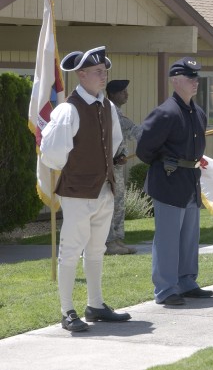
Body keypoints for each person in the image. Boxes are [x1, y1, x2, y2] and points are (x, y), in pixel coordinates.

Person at [40, 46, 131, 332]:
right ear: (81, 75)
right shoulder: (68, 109)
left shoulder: (107, 106)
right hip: (77, 192)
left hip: (104, 189)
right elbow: (51, 152)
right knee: (70, 251)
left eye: (104, 71)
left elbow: (114, 141)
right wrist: (79, 168)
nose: (103, 76)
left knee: (96, 249)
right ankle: (67, 311)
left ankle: (96, 304)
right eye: (97, 72)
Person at [136, 57, 213, 305]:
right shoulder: (165, 112)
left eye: (196, 78)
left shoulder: (197, 113)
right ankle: (166, 289)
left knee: (189, 237)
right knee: (168, 239)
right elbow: (143, 148)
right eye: (190, 78)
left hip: (190, 181)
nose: (195, 82)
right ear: (175, 80)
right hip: (169, 183)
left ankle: (186, 281)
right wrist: (163, 162)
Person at [105, 79, 142, 255]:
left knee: (118, 204)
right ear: (112, 94)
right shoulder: (112, 114)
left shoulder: (114, 113)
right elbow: (137, 132)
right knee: (111, 205)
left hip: (116, 167)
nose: (126, 94)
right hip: (108, 170)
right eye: (122, 91)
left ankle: (117, 240)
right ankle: (109, 242)